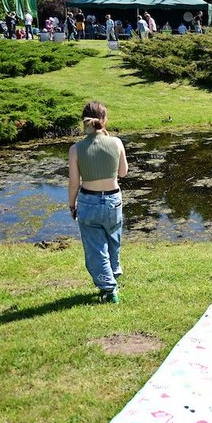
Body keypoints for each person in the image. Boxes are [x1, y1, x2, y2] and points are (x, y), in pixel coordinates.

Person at [67, 101, 129, 303]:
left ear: (84, 121)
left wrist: (72, 205)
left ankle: (109, 289)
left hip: (89, 202)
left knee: (95, 248)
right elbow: (123, 172)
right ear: (104, 120)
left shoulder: (75, 149)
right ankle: (113, 277)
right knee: (113, 241)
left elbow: (74, 183)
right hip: (113, 200)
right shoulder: (116, 142)